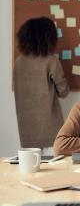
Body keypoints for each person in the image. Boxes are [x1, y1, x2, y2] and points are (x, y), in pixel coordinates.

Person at [14, 17, 69, 152]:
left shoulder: (19, 61)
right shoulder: (51, 60)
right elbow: (64, 91)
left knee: (32, 162)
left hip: (26, 122)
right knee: (55, 161)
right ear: (49, 37)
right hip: (49, 123)